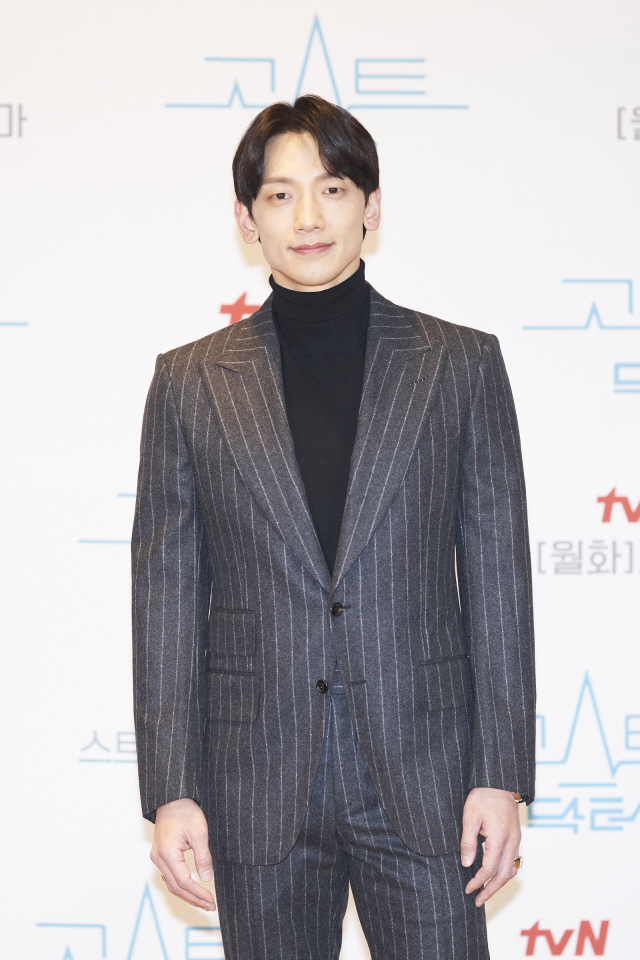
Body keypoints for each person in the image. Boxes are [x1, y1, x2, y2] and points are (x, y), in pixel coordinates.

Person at [132, 94, 535, 960]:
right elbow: (166, 597)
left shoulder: (460, 365)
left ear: (371, 206)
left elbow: (499, 580)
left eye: (332, 189)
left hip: (428, 778)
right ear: (247, 219)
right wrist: (172, 789)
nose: (307, 218)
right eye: (280, 196)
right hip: (256, 780)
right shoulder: (190, 383)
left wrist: (501, 774)